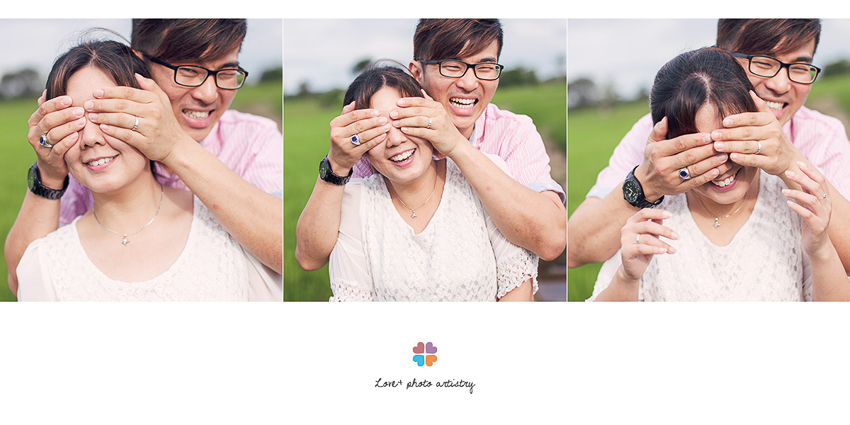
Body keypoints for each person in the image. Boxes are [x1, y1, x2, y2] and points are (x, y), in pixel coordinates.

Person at [5, 20, 282, 297]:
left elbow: (285, 253)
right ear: (140, 64)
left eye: (227, 72)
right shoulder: (89, 158)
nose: (208, 94)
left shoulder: (254, 139)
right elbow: (27, 284)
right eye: (187, 70)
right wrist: (49, 174)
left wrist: (173, 146)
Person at [569, 19, 850, 276]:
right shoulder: (661, 131)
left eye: (800, 67)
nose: (780, 85)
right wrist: (646, 184)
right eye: (763, 63)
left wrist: (790, 163)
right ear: (721, 58)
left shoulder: (823, 136)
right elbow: (575, 249)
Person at [296, 19, 566, 273]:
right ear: (416, 72)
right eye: (451, 65)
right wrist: (337, 165)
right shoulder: (384, 144)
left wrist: (456, 145)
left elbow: (551, 241)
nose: (470, 83)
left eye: (485, 67)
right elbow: (310, 257)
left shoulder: (512, 132)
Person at [328, 64, 537, 301]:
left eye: (404, 121)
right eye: (377, 131)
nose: (395, 139)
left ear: (431, 120)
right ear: (360, 146)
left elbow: (519, 294)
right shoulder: (354, 204)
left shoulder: (484, 174)